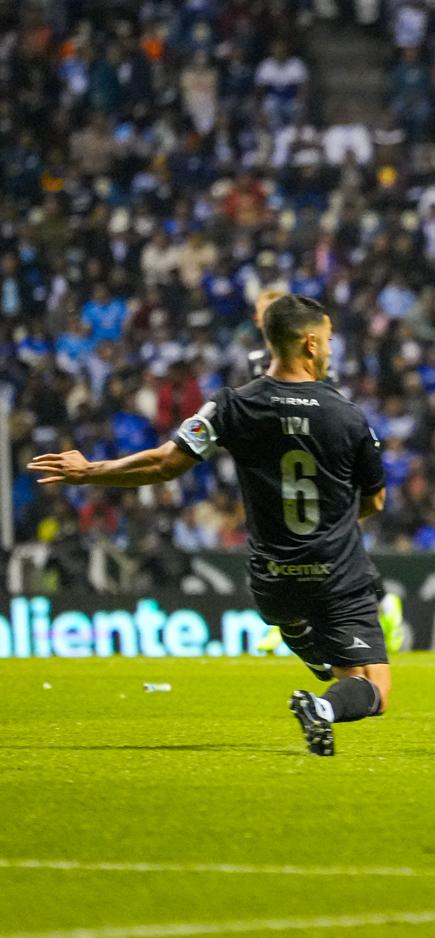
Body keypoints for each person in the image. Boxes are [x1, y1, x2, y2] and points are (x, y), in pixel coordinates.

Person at [29, 296, 389, 757]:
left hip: (272, 577)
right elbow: (374, 499)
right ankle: (320, 708)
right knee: (373, 687)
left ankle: (295, 630)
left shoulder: (231, 406)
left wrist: (89, 471)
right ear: (311, 342)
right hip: (335, 574)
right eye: (330, 342)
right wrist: (338, 521)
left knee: (292, 611)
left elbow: (164, 464)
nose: (331, 352)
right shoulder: (347, 415)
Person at [249, 288, 406, 658]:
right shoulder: (257, 358)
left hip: (320, 449)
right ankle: (293, 621)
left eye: (266, 310)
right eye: (259, 310)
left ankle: (377, 605)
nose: (260, 316)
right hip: (284, 457)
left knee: (333, 536)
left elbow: (322, 395)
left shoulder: (312, 352)